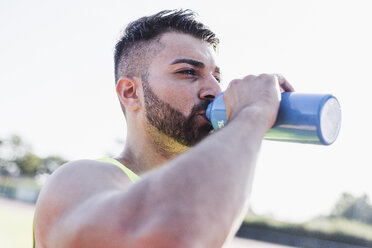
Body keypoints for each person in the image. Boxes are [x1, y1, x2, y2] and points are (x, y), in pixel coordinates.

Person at [34, 9, 294, 247]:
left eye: (217, 77)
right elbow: (168, 236)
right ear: (131, 93)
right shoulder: (79, 180)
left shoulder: (202, 200)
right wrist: (252, 115)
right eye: (189, 72)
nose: (215, 91)